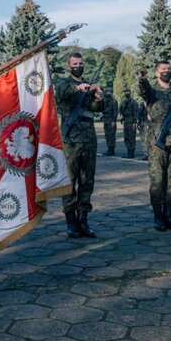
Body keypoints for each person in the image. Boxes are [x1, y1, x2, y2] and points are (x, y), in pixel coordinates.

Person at [55, 53, 104, 238]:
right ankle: (71, 222)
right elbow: (62, 92)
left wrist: (99, 98)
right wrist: (78, 88)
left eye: (81, 63)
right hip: (70, 142)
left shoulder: (89, 87)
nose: (78, 66)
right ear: (69, 66)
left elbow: (96, 108)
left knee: (87, 182)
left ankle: (83, 220)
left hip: (89, 141)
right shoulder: (63, 83)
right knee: (69, 182)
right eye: (75, 64)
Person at [138, 61, 171, 232]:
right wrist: (142, 79)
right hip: (157, 143)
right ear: (157, 73)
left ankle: (169, 215)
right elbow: (143, 90)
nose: (167, 72)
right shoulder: (152, 92)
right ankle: (158, 217)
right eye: (163, 70)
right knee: (157, 181)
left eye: (169, 69)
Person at [119, 88, 139, 158]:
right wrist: (121, 116)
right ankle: (128, 151)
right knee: (126, 137)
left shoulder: (134, 102)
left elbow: (136, 113)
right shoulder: (123, 102)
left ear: (130, 92)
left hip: (131, 121)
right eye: (125, 92)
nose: (126, 93)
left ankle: (131, 153)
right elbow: (120, 109)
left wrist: (134, 123)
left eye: (127, 92)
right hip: (126, 121)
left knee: (131, 137)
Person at [101, 88, 118, 156]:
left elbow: (115, 112)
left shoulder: (113, 101)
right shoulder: (104, 101)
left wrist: (114, 121)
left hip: (111, 120)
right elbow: (102, 109)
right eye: (106, 92)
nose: (108, 93)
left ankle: (112, 150)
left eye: (109, 92)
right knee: (107, 135)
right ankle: (109, 149)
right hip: (106, 120)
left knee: (111, 135)